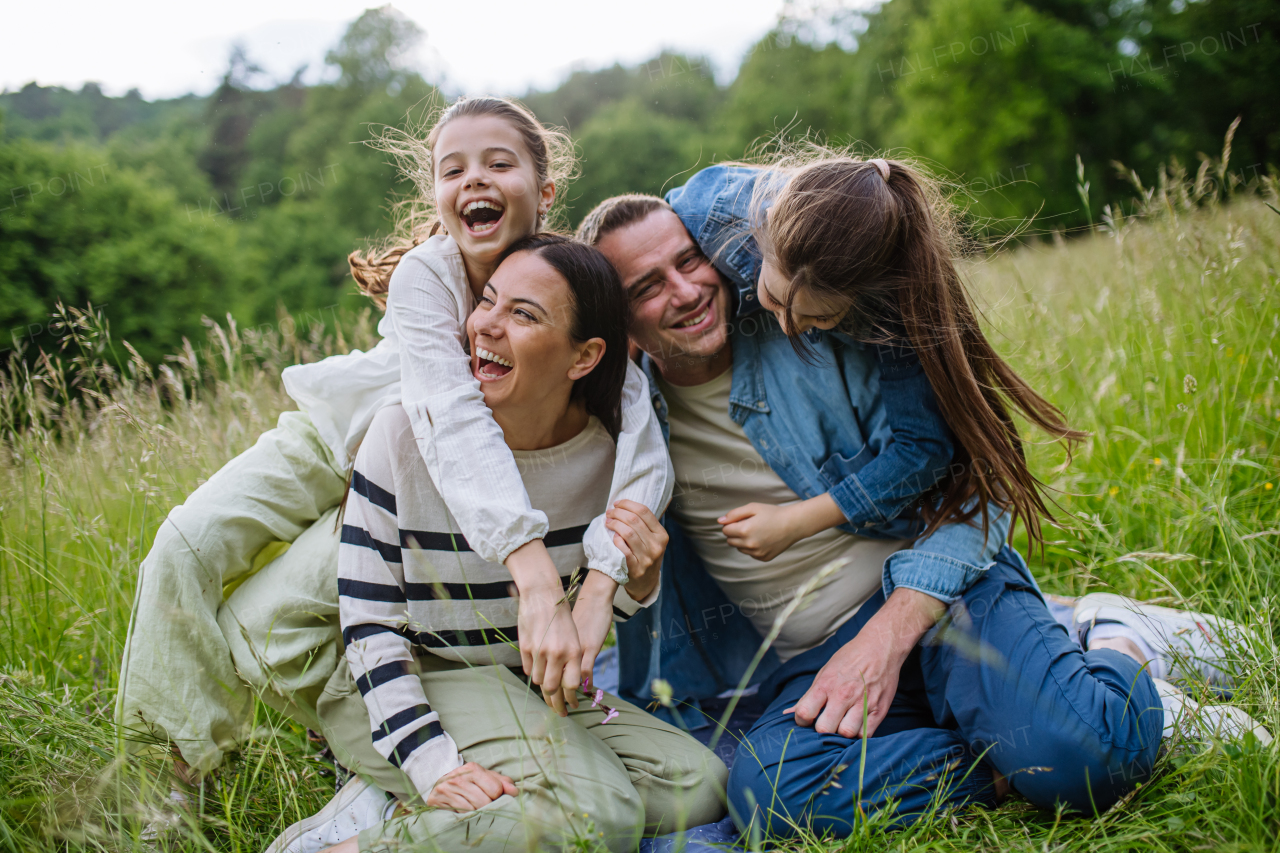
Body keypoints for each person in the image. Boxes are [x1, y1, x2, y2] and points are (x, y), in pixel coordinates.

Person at [579, 155, 1267, 837]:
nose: (687, 289)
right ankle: (1021, 739)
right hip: (816, 656)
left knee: (1086, 758)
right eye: (646, 286)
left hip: (940, 600)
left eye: (690, 260)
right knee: (770, 794)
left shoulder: (829, 298)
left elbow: (975, 474)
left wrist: (887, 628)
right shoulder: (625, 421)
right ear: (616, 323)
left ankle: (1118, 644)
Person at [116, 96, 672, 776]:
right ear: (437, 196)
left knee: (323, 597)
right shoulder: (427, 274)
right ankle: (173, 768)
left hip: (413, 475)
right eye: (452, 169)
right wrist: (534, 577)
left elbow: (636, 412)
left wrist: (596, 589)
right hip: (340, 433)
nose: (474, 179)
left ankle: (358, 736)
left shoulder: (562, 279)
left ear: (546, 190)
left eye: (499, 163)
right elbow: (454, 415)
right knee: (183, 544)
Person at [274, 236, 724, 853]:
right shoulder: (404, 434)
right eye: (488, 300)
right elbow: (369, 628)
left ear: (584, 357)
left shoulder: (604, 459)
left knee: (699, 784)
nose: (485, 324)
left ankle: (422, 806)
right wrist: (430, 762)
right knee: (604, 817)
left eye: (524, 314)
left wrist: (632, 586)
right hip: (405, 679)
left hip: (517, 686)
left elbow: (564, 615)